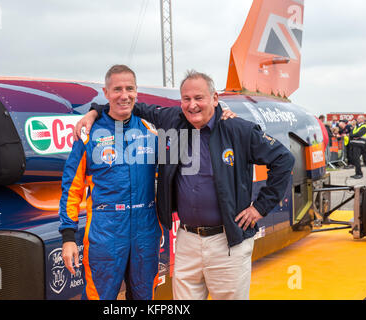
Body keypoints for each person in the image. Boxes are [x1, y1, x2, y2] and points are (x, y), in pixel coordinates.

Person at [76, 70, 295, 300]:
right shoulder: (173, 121)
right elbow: (129, 105)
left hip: (227, 242)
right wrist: (94, 111)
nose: (192, 105)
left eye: (199, 98)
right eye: (186, 99)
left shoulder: (237, 130)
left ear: (215, 98)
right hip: (187, 240)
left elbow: (284, 160)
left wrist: (260, 207)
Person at [58, 64, 163, 300]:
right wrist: (68, 238)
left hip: (145, 230)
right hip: (106, 232)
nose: (124, 95)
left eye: (129, 89)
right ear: (106, 93)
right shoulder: (88, 133)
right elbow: (71, 189)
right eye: (117, 89)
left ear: (137, 91)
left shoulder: (151, 131)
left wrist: (223, 116)